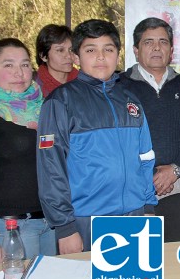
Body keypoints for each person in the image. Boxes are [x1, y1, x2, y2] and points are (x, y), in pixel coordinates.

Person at [37, 19, 157, 254]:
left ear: (118, 55)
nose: (100, 57)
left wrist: (148, 207)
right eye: (91, 50)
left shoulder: (131, 100)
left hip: (135, 215)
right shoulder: (60, 101)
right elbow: (51, 169)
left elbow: (146, 158)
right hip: (85, 220)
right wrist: (65, 227)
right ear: (76, 57)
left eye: (108, 50)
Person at [0, 38, 56, 265]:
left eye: (25, 64)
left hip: (49, 223)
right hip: (10, 229)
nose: (19, 73)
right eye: (8, 65)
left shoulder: (43, 108)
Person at [120, 18, 180, 199]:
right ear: (136, 50)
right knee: (136, 229)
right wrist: (146, 176)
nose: (156, 48)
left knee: (179, 228)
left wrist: (175, 170)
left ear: (171, 51)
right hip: (130, 184)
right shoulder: (119, 87)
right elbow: (113, 141)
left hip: (176, 181)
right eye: (148, 42)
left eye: (163, 42)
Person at [35, 24, 78, 97]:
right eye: (60, 50)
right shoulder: (33, 88)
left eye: (71, 50)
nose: (69, 56)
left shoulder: (82, 82)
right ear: (43, 56)